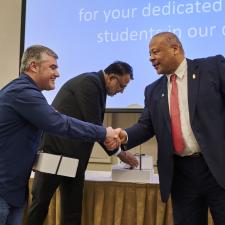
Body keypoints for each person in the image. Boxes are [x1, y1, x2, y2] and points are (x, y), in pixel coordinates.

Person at [108, 32, 225, 225]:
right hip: (181, 176)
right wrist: (125, 135)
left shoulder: (211, 68)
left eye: (155, 52)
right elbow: (146, 126)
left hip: (217, 167)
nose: (151, 58)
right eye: (149, 53)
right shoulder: (153, 90)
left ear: (175, 49)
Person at [0, 45, 120, 225]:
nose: (58, 74)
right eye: (53, 67)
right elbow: (60, 123)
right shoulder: (22, 93)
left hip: (13, 190)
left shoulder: (28, 93)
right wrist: (103, 132)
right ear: (33, 66)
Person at [26, 61, 138, 225]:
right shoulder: (89, 83)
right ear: (112, 78)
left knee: (72, 211)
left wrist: (119, 151)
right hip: (54, 153)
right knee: (40, 205)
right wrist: (120, 153)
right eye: (122, 86)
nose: (122, 91)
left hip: (73, 158)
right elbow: (95, 126)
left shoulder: (97, 86)